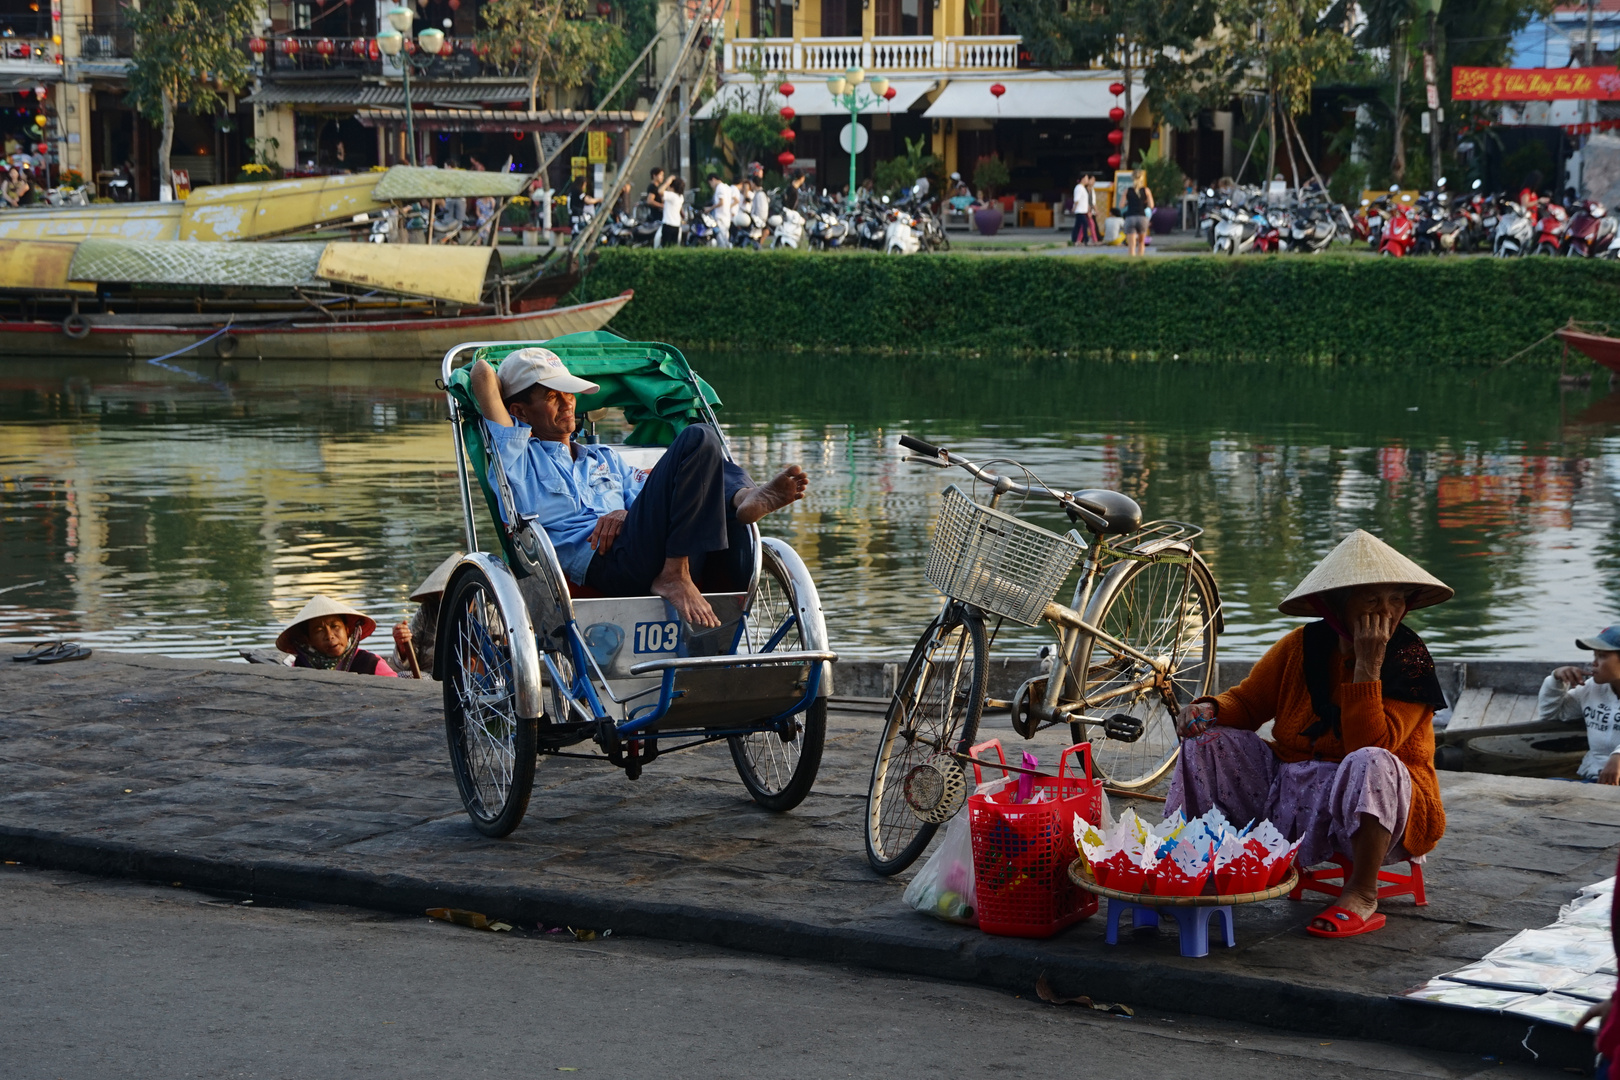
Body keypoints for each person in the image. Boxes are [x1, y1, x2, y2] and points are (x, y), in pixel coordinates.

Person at [1168, 529, 1452, 939]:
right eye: (1372, 600)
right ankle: (1201, 863)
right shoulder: (1300, 645)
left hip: (1384, 803)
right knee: (1208, 741)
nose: (1387, 612)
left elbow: (1368, 745)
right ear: (1337, 605)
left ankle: (1362, 892)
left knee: (1369, 760)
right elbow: (1248, 705)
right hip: (1291, 794)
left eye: (1396, 599)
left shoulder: (1408, 659)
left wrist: (1367, 666)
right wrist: (1208, 709)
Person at [468, 348, 807, 628]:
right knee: (697, 437)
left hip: (651, 545)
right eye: (552, 397)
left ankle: (742, 498)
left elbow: (649, 499)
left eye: (568, 393)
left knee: (702, 454)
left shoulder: (605, 458)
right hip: (604, 563)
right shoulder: (516, 456)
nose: (568, 403)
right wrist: (514, 366)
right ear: (519, 412)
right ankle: (678, 570)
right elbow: (482, 372)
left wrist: (624, 514)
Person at [1538, 627, 1620, 783]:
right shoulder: (1591, 689)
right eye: (1594, 655)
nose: (1594, 663)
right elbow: (1552, 715)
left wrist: (1618, 756)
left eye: (1602, 656)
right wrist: (1556, 680)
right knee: (1543, 788)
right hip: (1594, 780)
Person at [277, 596, 397, 676]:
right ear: (309, 640)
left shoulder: (371, 663)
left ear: (347, 630)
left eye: (335, 626)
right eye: (319, 630)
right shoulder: (300, 666)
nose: (329, 636)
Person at [391, 552, 462, 678]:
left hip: (472, 680)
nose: (448, 599)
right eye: (444, 593)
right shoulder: (427, 611)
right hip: (430, 679)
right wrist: (403, 646)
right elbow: (406, 663)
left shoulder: (486, 612)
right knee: (404, 675)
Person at [1122, 170, 1153, 256]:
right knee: (1141, 243)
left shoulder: (1127, 191)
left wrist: (1128, 202)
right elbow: (1151, 205)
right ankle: (1140, 262)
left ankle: (1131, 263)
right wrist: (1144, 201)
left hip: (1130, 217)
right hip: (1142, 217)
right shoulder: (1146, 190)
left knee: (1131, 245)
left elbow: (1121, 205)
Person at [707, 172, 738, 248]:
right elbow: (736, 200)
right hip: (727, 216)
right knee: (725, 236)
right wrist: (728, 207)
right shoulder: (727, 187)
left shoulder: (719, 188)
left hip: (720, 216)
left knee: (721, 238)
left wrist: (709, 209)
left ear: (713, 180)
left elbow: (721, 202)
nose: (711, 186)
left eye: (710, 183)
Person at [1070, 173, 1097, 246]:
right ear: (1082, 179)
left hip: (1083, 210)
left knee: (1078, 225)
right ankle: (1085, 240)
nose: (1087, 180)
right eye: (1086, 178)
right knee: (1083, 225)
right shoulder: (1079, 188)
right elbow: (1077, 200)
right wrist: (1074, 208)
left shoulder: (1083, 188)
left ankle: (1076, 240)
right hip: (1079, 210)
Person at [660, 175, 685, 249]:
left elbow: (660, 191)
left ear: (673, 187)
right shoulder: (680, 197)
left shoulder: (672, 195)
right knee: (673, 248)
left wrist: (667, 182)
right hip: (676, 225)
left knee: (665, 247)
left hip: (668, 224)